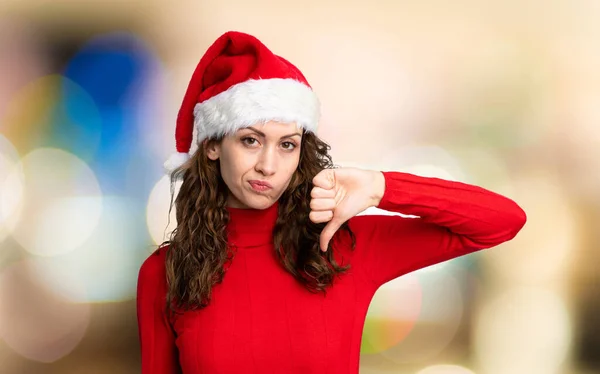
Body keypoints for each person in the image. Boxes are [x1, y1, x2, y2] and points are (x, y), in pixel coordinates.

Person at [136, 31, 527, 374]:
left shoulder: (339, 245)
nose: (268, 165)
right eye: (250, 140)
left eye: (287, 145)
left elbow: (503, 220)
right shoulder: (164, 273)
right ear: (212, 146)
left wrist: (381, 187)